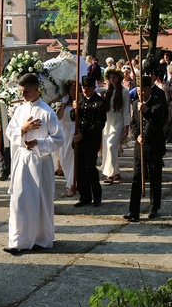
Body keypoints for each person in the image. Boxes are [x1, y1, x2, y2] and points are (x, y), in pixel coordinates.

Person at [4, 74, 63, 253]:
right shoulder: (20, 110)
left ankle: (42, 238)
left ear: (37, 89)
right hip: (23, 159)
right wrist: (23, 130)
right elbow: (10, 131)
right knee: (19, 200)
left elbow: (58, 139)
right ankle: (18, 240)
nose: (23, 96)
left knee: (41, 200)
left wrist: (39, 143)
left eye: (27, 92)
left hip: (40, 161)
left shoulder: (47, 112)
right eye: (21, 92)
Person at [123, 76, 167, 222]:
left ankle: (154, 207)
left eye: (143, 91)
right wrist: (137, 136)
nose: (140, 94)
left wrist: (146, 111)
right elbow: (134, 122)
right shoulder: (135, 103)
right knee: (137, 178)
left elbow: (159, 123)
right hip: (140, 146)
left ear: (149, 90)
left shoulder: (158, 103)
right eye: (138, 91)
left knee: (155, 178)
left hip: (154, 146)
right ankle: (133, 210)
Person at [71, 75, 107, 207]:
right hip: (79, 141)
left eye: (87, 88)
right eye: (83, 88)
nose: (85, 91)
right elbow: (74, 119)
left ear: (93, 88)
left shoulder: (100, 102)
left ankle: (96, 195)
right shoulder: (80, 101)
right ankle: (84, 196)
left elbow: (99, 124)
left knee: (89, 168)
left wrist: (84, 135)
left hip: (91, 141)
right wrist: (74, 109)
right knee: (79, 169)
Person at [101, 69, 130, 184]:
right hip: (107, 122)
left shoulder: (124, 92)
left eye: (114, 77)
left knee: (111, 146)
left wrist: (126, 125)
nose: (112, 80)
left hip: (118, 122)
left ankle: (110, 173)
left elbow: (127, 110)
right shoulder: (108, 91)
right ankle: (116, 172)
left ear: (119, 78)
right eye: (110, 78)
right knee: (106, 147)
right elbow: (97, 89)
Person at [56, 79, 77, 197]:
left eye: (74, 89)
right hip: (65, 131)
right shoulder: (65, 102)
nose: (73, 91)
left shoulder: (81, 101)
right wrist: (63, 104)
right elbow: (59, 117)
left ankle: (71, 185)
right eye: (70, 89)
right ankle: (72, 182)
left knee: (74, 158)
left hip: (75, 131)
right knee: (64, 159)